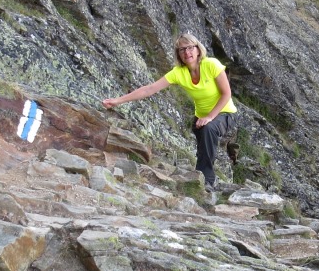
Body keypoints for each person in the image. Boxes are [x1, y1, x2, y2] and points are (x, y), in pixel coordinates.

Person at [102, 33, 238, 189]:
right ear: (178, 54)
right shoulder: (178, 73)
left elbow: (226, 94)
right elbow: (149, 89)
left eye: (190, 48)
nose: (187, 52)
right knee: (203, 143)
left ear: (198, 49)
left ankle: (207, 181)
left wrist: (210, 117)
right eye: (182, 50)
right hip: (201, 117)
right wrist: (117, 101)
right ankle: (199, 180)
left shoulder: (211, 64)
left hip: (225, 113)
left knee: (208, 129)